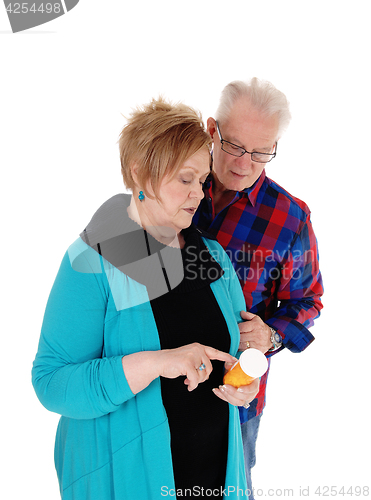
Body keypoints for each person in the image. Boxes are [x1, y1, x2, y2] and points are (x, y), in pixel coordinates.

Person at [32, 98, 259, 500]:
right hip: (126, 481)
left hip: (217, 479)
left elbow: (231, 353)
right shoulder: (92, 261)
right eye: (184, 179)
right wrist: (156, 362)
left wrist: (243, 384)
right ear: (139, 173)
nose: (199, 194)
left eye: (203, 180)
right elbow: (51, 383)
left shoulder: (212, 256)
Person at [193, 78, 324, 499]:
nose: (244, 164)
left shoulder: (291, 218)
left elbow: (308, 301)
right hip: (159, 378)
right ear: (212, 130)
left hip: (237, 398)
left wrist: (270, 334)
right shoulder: (175, 186)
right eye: (233, 145)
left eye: (261, 152)